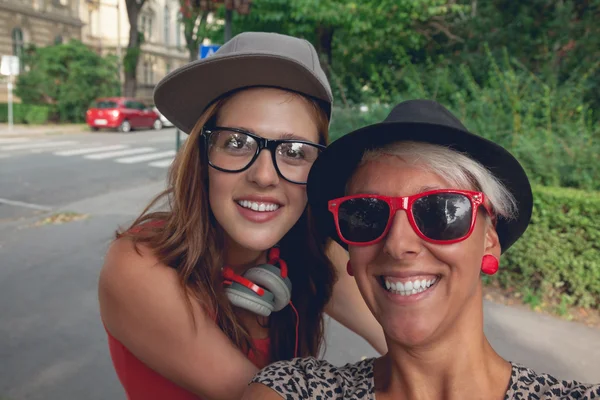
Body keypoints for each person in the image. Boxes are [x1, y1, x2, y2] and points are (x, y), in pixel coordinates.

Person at [242, 99, 600, 399]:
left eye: (441, 211)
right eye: (366, 216)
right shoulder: (295, 391)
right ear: (351, 254)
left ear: (489, 240)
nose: (397, 245)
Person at [98, 32, 386, 400]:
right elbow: (264, 394)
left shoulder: (311, 251)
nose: (264, 176)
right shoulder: (138, 265)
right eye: (237, 143)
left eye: (295, 151)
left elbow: (416, 341)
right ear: (203, 156)